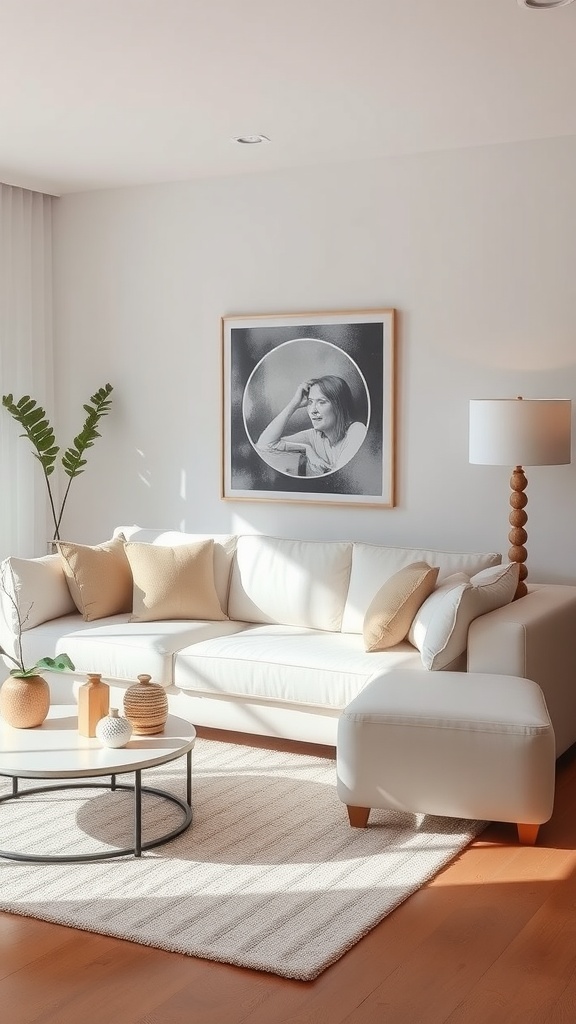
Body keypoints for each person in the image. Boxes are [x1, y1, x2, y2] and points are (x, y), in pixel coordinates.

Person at [256, 375, 367, 476]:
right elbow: (264, 446)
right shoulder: (313, 436)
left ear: (339, 406)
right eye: (310, 402)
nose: (313, 410)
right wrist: (294, 404)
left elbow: (341, 479)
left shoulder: (357, 431)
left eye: (321, 402)